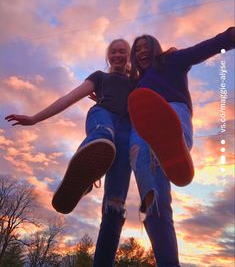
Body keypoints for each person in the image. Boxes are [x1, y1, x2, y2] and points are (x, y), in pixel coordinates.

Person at [5, 38, 135, 267]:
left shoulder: (136, 82)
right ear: (108, 56)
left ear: (129, 57)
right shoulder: (100, 77)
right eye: (113, 52)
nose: (117, 55)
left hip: (126, 133)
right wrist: (35, 118)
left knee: (115, 206)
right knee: (104, 134)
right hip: (102, 117)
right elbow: (68, 98)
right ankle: (86, 174)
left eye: (122, 52)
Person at [127, 27, 235, 267]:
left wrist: (229, 37)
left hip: (172, 109)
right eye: (137, 50)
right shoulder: (135, 85)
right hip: (140, 132)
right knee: (153, 198)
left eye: (146, 46)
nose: (142, 51)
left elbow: (202, 49)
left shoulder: (170, 61)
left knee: (168, 124)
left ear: (156, 49)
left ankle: (173, 147)